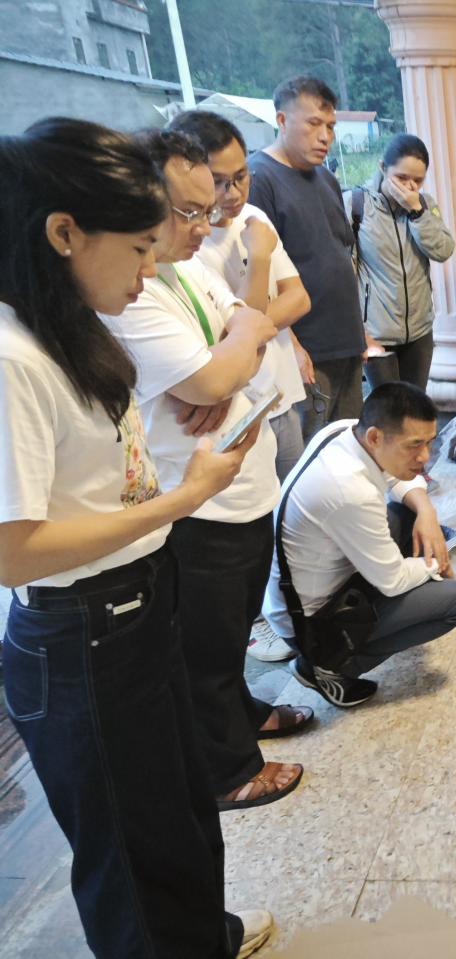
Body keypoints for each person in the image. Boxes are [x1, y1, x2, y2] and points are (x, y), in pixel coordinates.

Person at [0, 118, 272, 958]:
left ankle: (206, 938)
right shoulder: (13, 357)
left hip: (139, 601)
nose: (152, 270)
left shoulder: (75, 322)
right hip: (83, 632)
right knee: (133, 853)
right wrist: (181, 499)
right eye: (139, 249)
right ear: (63, 233)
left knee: (182, 815)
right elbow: (15, 550)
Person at [100, 129, 308, 812]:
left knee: (237, 624)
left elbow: (253, 322)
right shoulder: (133, 294)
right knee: (208, 649)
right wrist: (226, 366)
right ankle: (228, 769)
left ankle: (244, 714)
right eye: (188, 209)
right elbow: (218, 371)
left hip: (242, 485)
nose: (206, 221)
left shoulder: (186, 268)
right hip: (196, 503)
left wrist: (228, 361)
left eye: (208, 205)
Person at [262, 383, 456, 707]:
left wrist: (427, 512)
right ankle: (329, 666)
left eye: (429, 442)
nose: (425, 457)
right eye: (414, 445)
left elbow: (398, 477)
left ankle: (354, 639)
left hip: (314, 581)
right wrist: (438, 562)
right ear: (375, 437)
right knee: (454, 599)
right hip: (309, 620)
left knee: (407, 514)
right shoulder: (349, 490)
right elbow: (393, 581)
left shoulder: (346, 431)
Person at [168, 109, 313, 483]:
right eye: (218, 182)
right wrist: (259, 258)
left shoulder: (254, 218)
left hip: (278, 392)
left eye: (240, 177)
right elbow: (241, 328)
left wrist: (250, 329)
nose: (233, 193)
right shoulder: (187, 245)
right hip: (232, 404)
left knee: (290, 495)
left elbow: (298, 298)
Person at [248, 76, 364, 441]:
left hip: (345, 341)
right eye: (314, 124)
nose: (325, 136)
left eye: (330, 126)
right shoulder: (259, 179)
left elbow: (339, 254)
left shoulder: (326, 179)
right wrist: (293, 347)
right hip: (307, 349)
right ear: (282, 120)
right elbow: (261, 276)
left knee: (349, 443)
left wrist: (358, 330)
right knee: (315, 451)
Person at [347, 133, 454, 393]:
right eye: (401, 178)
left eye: (417, 180)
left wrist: (416, 212)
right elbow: (345, 275)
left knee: (415, 405)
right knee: (388, 407)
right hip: (376, 332)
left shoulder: (424, 205)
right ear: (383, 168)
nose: (409, 187)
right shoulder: (357, 204)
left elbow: (443, 250)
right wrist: (359, 333)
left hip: (419, 332)